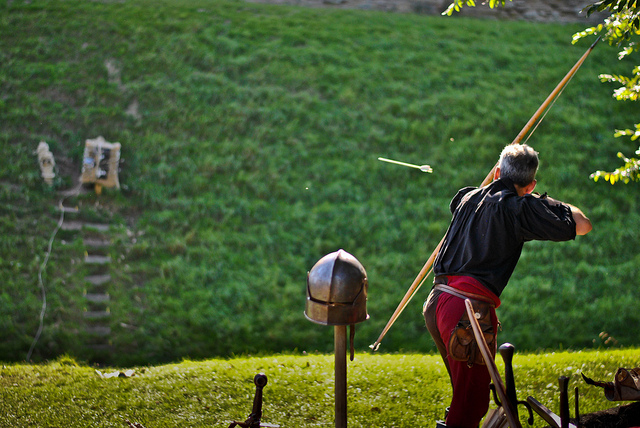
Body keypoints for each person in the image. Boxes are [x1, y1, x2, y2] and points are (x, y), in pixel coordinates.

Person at [423, 143, 592, 428]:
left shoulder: (467, 197)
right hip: (466, 313)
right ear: (531, 184)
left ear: (498, 171)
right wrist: (541, 201)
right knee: (470, 404)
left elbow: (464, 200)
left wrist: (504, 189)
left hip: (437, 304)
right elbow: (582, 224)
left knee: (465, 397)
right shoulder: (519, 208)